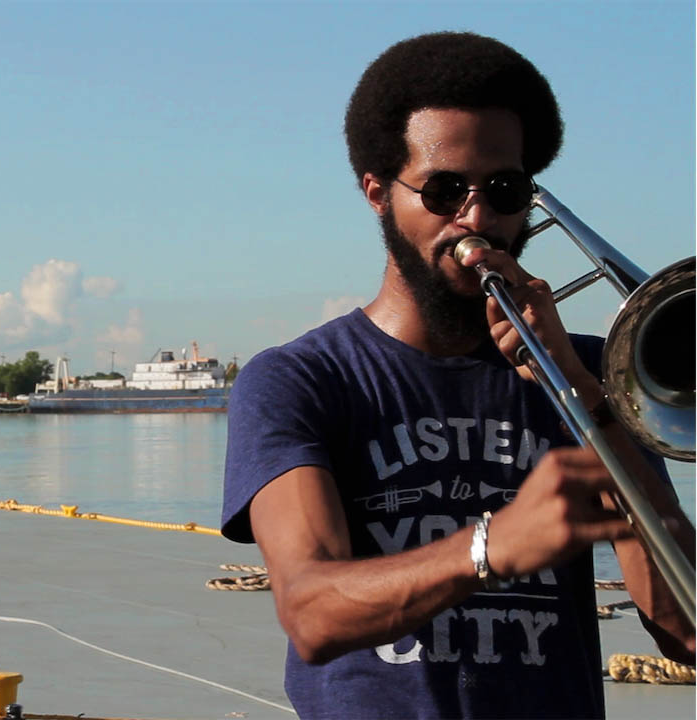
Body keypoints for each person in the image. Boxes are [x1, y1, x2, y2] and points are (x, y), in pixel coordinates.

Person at [221, 31, 694, 719]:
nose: (478, 218)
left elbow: (686, 629)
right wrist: (490, 545)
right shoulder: (300, 379)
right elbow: (312, 611)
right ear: (378, 193)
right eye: (444, 191)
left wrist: (584, 397)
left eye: (504, 189)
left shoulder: (595, 374)